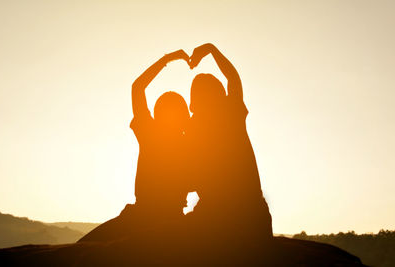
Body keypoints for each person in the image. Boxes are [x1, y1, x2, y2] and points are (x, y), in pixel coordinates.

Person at [78, 50, 191, 242]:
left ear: (158, 114)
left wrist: (167, 59)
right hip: (166, 217)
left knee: (86, 245)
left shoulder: (151, 133)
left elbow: (138, 87)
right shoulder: (188, 143)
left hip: (142, 216)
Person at [186, 43, 273, 241]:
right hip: (253, 216)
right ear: (219, 94)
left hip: (216, 219)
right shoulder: (231, 113)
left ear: (193, 101)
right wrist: (210, 49)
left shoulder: (194, 129)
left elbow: (188, 180)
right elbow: (233, 78)